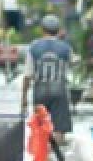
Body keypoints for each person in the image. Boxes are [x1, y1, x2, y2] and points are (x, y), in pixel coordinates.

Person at [21, 14, 75, 151]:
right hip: (59, 90)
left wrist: (24, 98)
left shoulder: (33, 48)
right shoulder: (66, 48)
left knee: (39, 128)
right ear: (58, 30)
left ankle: (42, 156)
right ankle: (57, 156)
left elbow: (27, 75)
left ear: (42, 29)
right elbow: (72, 64)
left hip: (40, 91)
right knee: (59, 130)